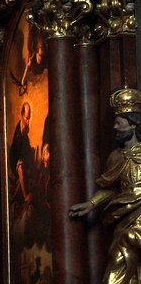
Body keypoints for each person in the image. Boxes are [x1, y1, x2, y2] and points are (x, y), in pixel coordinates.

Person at [70, 89, 141, 284]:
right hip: (125, 216)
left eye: (119, 123)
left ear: (133, 125)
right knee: (120, 256)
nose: (115, 127)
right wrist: (91, 204)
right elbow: (110, 188)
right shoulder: (115, 157)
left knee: (128, 241)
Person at [9, 102, 35, 224]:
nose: (28, 121)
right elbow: (19, 166)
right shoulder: (19, 137)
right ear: (22, 115)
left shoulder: (24, 134)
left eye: (29, 117)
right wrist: (25, 195)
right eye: (26, 117)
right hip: (18, 172)